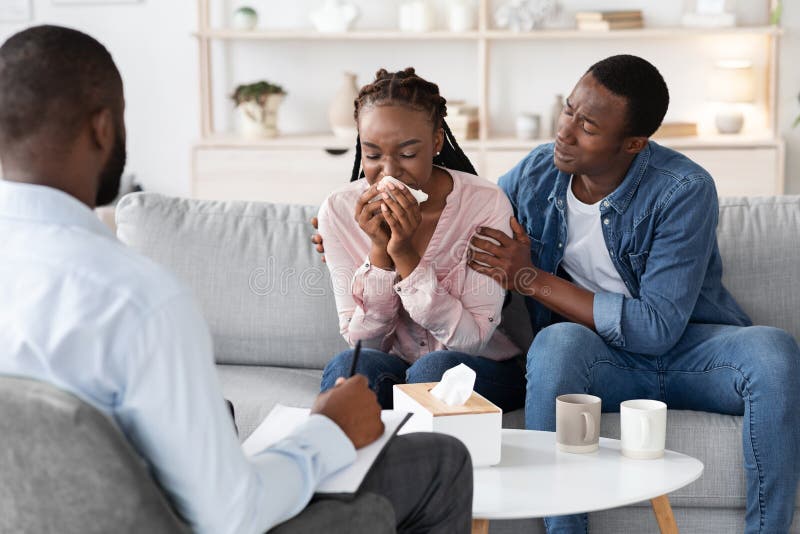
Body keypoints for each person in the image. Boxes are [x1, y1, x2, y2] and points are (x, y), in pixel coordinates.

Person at [0, 25, 472, 534]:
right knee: (442, 463)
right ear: (102, 128)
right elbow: (232, 516)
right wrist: (328, 432)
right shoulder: (138, 301)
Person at [467, 54, 800, 533]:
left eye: (587, 125)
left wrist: (531, 279)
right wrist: (370, 239)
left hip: (692, 352)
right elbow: (465, 222)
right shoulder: (537, 174)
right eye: (568, 110)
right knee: (557, 342)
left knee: (774, 351)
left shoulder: (683, 189)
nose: (565, 130)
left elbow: (657, 328)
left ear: (634, 143)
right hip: (600, 359)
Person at [316, 67, 526, 411]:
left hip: (483, 368)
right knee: (349, 367)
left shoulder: (485, 204)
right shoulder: (338, 211)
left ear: (437, 142)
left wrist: (407, 257)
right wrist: (381, 255)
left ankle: (426, 462)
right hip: (395, 365)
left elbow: (472, 340)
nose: (388, 171)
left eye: (408, 154)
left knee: (433, 370)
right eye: (372, 154)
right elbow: (364, 344)